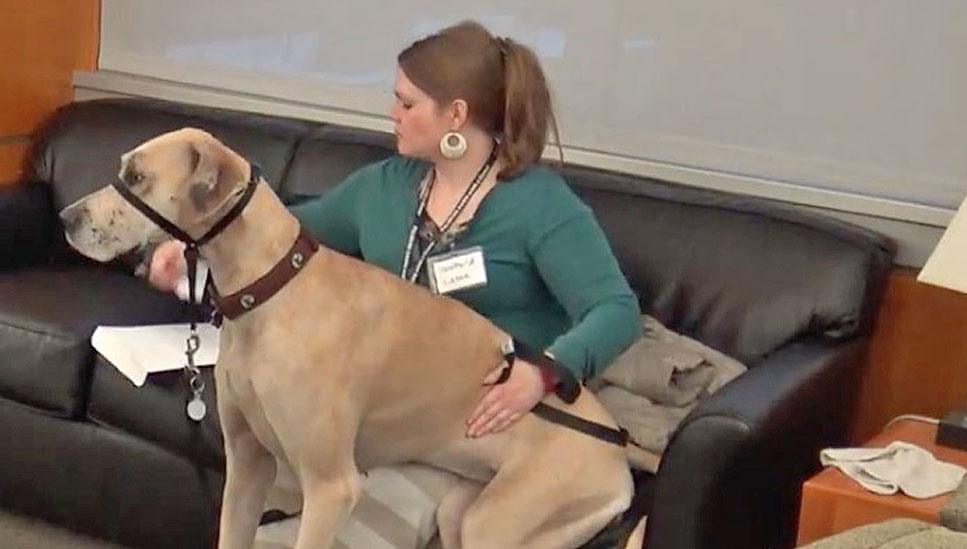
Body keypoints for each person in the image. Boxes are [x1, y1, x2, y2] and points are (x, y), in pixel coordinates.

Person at [149, 19, 640, 546]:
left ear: (455, 114)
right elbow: (283, 235)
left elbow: (616, 310)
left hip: (491, 414)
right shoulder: (385, 187)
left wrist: (540, 373)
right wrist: (196, 246)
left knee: (453, 530)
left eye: (407, 104)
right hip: (398, 407)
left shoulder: (540, 206)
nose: (393, 114)